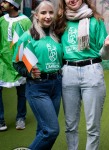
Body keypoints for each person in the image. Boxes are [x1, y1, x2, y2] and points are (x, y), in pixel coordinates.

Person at [57, 0, 109, 149]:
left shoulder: (96, 20)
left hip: (92, 71)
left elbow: (105, 56)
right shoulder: (60, 22)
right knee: (70, 125)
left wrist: (106, 45)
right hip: (68, 73)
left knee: (93, 127)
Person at [13, 1, 65, 149]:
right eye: (43, 13)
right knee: (51, 130)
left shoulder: (56, 35)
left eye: (50, 12)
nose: (48, 16)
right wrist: (28, 72)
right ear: (36, 15)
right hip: (38, 88)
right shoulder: (27, 37)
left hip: (56, 85)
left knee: (43, 129)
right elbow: (16, 63)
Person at [0, 0, 31, 131]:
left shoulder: (25, 21)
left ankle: (21, 118)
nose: (1, 3)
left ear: (13, 5)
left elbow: (30, 41)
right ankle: (1, 120)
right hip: (2, 61)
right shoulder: (1, 20)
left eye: (5, 2)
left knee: (22, 92)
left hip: (19, 61)